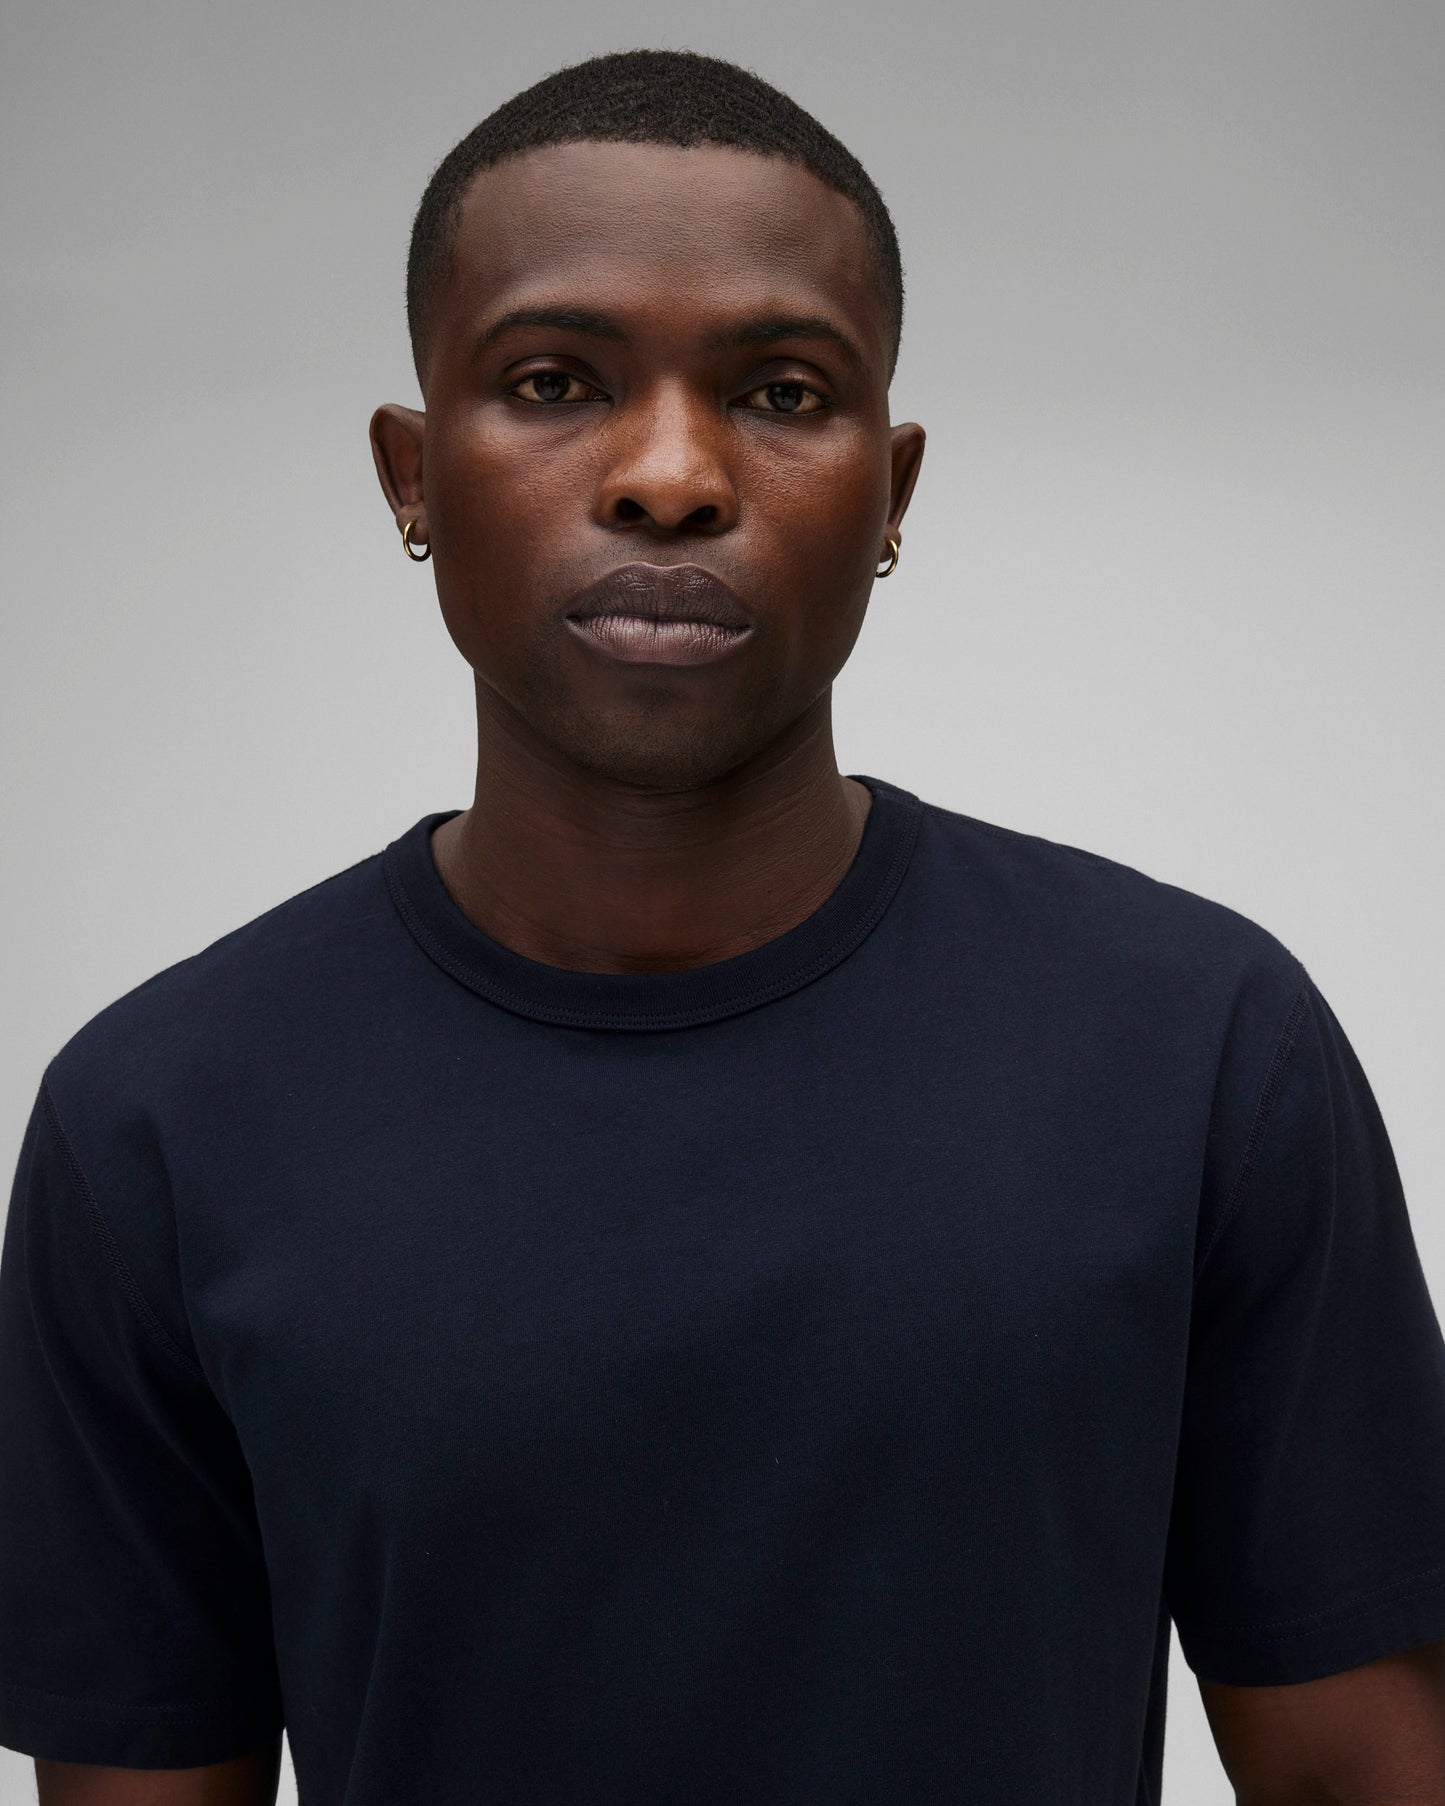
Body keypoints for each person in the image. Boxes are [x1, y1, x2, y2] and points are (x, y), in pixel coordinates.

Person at [2, 47, 1443, 1806]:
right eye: (552, 380)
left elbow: (1362, 1773)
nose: (673, 475)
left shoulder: (1200, 1049)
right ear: (410, 472)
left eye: (779, 390)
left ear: (891, 491)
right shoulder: (154, 1124)